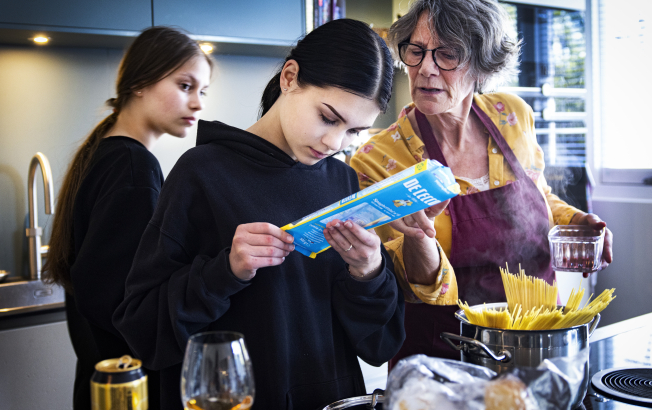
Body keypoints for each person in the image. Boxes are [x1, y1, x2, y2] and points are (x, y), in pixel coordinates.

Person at [113, 19, 405, 410]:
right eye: (328, 117)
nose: (335, 142)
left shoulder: (343, 181)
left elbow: (380, 343)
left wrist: (368, 272)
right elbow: (143, 329)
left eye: (354, 131)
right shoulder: (201, 173)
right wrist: (225, 271)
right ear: (289, 77)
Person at [350, 0, 614, 369]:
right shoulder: (378, 159)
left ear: (482, 64)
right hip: (441, 355)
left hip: (536, 343)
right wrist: (419, 235)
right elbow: (409, 284)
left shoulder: (511, 115)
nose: (425, 69)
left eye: (447, 54)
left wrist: (573, 220)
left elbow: (539, 195)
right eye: (416, 51)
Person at [42, 26, 211, 410]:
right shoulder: (133, 167)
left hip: (104, 382)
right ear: (140, 82)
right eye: (186, 85)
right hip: (128, 390)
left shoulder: (105, 154)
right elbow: (128, 305)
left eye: (202, 91)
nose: (198, 103)